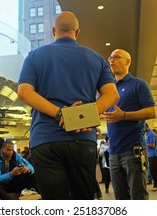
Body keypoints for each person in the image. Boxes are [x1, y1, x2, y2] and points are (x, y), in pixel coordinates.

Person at [18, 11, 119, 200]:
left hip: (46, 139)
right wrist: (82, 117)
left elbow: (24, 91)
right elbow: (112, 95)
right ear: (77, 32)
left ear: (53, 30)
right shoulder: (96, 58)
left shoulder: (34, 56)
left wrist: (60, 114)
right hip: (83, 140)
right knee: (82, 202)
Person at [103, 48, 156, 200]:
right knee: (120, 198)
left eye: (116, 57)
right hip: (113, 152)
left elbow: (152, 112)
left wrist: (124, 115)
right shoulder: (109, 90)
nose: (111, 60)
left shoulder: (138, 84)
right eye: (110, 58)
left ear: (128, 61)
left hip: (133, 150)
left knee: (138, 196)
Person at [145, 123, 157, 190]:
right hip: (150, 154)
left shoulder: (151, 134)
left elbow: (152, 145)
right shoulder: (148, 134)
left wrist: (144, 143)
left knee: (154, 171)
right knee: (152, 170)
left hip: (153, 154)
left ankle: (156, 185)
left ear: (146, 127)